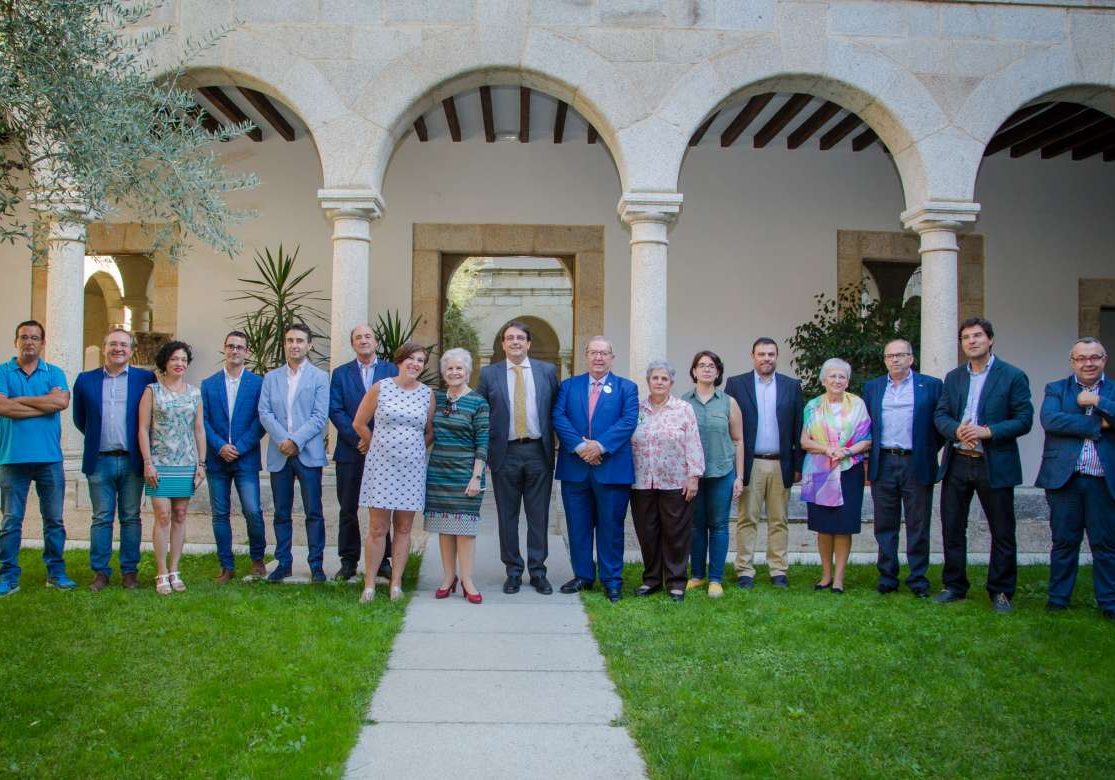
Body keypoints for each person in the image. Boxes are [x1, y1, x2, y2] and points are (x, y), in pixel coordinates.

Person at [934, 317, 1033, 613]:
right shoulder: (953, 377)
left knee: (1001, 530)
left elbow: (1024, 419)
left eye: (977, 336)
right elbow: (940, 414)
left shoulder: (1012, 376)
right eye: (966, 337)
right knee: (952, 526)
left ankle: (1001, 591)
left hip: (994, 462)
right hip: (958, 460)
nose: (971, 341)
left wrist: (987, 431)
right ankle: (954, 585)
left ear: (990, 340)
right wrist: (955, 430)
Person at [552, 336, 638, 602]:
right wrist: (580, 447)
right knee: (578, 525)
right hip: (575, 469)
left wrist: (599, 447)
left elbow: (628, 420)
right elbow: (558, 416)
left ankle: (612, 580)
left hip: (612, 469)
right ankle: (583, 576)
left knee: (611, 527)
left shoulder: (626, 387)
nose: (598, 357)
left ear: (612, 357)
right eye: (593, 352)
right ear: (586, 356)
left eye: (604, 353)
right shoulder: (569, 386)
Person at [476, 320, 559, 596]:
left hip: (538, 451)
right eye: (509, 338)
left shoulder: (547, 371)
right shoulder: (490, 374)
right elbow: (481, 413)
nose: (515, 342)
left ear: (528, 343)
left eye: (520, 338)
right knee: (507, 516)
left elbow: (556, 410)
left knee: (538, 516)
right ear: (502, 344)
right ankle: (512, 570)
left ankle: (537, 572)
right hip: (505, 453)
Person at [1035, 337, 1114, 620]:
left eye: (1094, 357)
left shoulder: (1112, 391)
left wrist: (1097, 401)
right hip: (1064, 479)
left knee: (1105, 545)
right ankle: (1058, 600)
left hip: (1103, 480)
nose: (1088, 363)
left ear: (1104, 359)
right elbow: (1051, 421)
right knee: (1064, 542)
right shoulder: (1056, 389)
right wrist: (1100, 423)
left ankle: (1109, 603)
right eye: (1081, 358)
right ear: (1072, 362)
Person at [72, 328, 155, 591]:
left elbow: (149, 419)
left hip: (132, 460)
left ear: (131, 350)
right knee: (101, 517)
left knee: (131, 517)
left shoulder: (145, 379)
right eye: (113, 344)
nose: (118, 349)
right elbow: (80, 419)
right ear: (104, 347)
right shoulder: (85, 380)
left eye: (123, 345)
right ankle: (100, 572)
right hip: (100, 460)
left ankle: (130, 572)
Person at [861, 339, 943, 597]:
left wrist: (928, 449)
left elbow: (939, 424)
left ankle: (918, 579)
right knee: (885, 524)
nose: (895, 360)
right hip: (883, 461)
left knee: (918, 523)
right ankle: (887, 577)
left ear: (911, 358)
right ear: (884, 360)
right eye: (889, 356)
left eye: (900, 355)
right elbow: (866, 425)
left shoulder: (930, 386)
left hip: (915, 461)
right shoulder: (872, 388)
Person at [354, 341, 435, 602]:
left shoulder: (427, 394)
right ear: (400, 361)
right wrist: (374, 444)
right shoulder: (382, 388)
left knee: (403, 528)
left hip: (411, 469)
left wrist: (413, 449)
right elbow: (359, 422)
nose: (415, 364)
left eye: (420, 360)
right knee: (378, 528)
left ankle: (396, 584)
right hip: (381, 467)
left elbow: (429, 430)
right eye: (411, 359)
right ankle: (369, 584)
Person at [0, 320, 74, 596]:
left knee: (54, 519)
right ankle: (8, 575)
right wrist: (42, 403)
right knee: (10, 520)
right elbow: (1, 407)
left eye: (34, 337)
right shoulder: (3, 371)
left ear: (43, 343)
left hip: (49, 459)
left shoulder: (54, 372)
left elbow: (60, 403)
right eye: (24, 337)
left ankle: (56, 572)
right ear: (16, 341)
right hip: (11, 457)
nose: (29, 341)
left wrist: (17, 401)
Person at [724, 337, 803, 589]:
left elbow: (798, 427)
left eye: (771, 354)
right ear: (753, 356)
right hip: (751, 463)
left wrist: (799, 465)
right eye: (761, 354)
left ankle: (778, 569)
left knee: (779, 519)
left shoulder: (792, 386)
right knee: (747, 518)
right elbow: (729, 426)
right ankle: (744, 569)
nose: (766, 358)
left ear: (776, 356)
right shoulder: (736, 385)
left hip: (781, 463)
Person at [258, 324, 330, 583]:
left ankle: (316, 565)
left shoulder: (320, 378)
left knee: (314, 511)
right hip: (280, 453)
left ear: (309, 345)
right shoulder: (271, 378)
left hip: (307, 453)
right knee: (281, 512)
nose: (294, 345)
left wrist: (295, 441)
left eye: (300, 340)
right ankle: (283, 563)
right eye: (289, 340)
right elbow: (264, 412)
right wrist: (282, 440)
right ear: (284, 344)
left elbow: (320, 416)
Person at [630, 360, 704, 602]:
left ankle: (676, 582)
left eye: (664, 379)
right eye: (655, 378)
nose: (659, 382)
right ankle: (651, 579)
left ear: (671, 383)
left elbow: (693, 443)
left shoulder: (683, 409)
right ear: (648, 381)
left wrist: (693, 477)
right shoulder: (637, 409)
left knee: (676, 533)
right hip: (641, 481)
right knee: (647, 533)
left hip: (675, 482)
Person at [329, 323, 397, 582]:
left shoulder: (391, 371)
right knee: (348, 508)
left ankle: (383, 561)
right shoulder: (340, 374)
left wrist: (375, 439)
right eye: (358, 337)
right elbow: (335, 410)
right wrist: (359, 437)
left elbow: (397, 406)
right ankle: (348, 561)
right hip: (349, 451)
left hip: (384, 452)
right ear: (353, 344)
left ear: (376, 342)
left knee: (383, 507)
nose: (363, 340)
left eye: (368, 336)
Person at [138, 341, 205, 595]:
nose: (180, 364)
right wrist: (147, 462)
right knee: (162, 515)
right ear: (165, 362)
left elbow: (198, 429)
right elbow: (143, 429)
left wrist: (201, 464)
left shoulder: (194, 393)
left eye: (184, 360)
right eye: (175, 359)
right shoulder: (151, 391)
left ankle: (175, 569)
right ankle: (161, 571)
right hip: (160, 463)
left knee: (179, 515)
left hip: (186, 463)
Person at [800, 358, 872, 594]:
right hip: (820, 470)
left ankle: (839, 578)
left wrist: (847, 450)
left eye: (842, 376)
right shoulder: (812, 406)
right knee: (824, 525)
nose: (837, 380)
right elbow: (804, 440)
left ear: (848, 381)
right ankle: (825, 575)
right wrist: (826, 449)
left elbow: (867, 438)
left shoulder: (858, 404)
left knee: (843, 525)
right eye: (832, 376)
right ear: (823, 380)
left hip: (848, 469)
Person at [426, 348, 490, 604]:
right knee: (445, 528)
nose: (454, 372)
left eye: (459, 368)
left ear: (468, 372)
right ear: (444, 373)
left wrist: (476, 477)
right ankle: (448, 577)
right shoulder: (437, 399)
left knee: (465, 529)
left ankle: (467, 580)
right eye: (450, 368)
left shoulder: (478, 402)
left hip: (466, 472)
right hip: (439, 472)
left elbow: (483, 442)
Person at [201, 331, 266, 583]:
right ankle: (226, 566)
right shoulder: (209, 384)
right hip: (217, 460)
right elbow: (203, 421)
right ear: (224, 350)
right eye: (230, 346)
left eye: (240, 347)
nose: (235, 351)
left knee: (252, 510)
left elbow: (261, 419)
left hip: (245, 458)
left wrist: (239, 446)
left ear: (247, 352)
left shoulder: (257, 384)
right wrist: (219, 446)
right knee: (220, 513)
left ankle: (257, 559)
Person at [682, 350, 743, 598]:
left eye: (712, 366)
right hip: (694, 477)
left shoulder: (729, 402)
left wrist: (739, 477)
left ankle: (715, 579)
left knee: (718, 526)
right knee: (696, 526)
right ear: (694, 371)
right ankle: (697, 575)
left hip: (722, 473)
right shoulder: (684, 402)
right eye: (701, 365)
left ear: (718, 372)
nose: (707, 369)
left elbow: (738, 440)